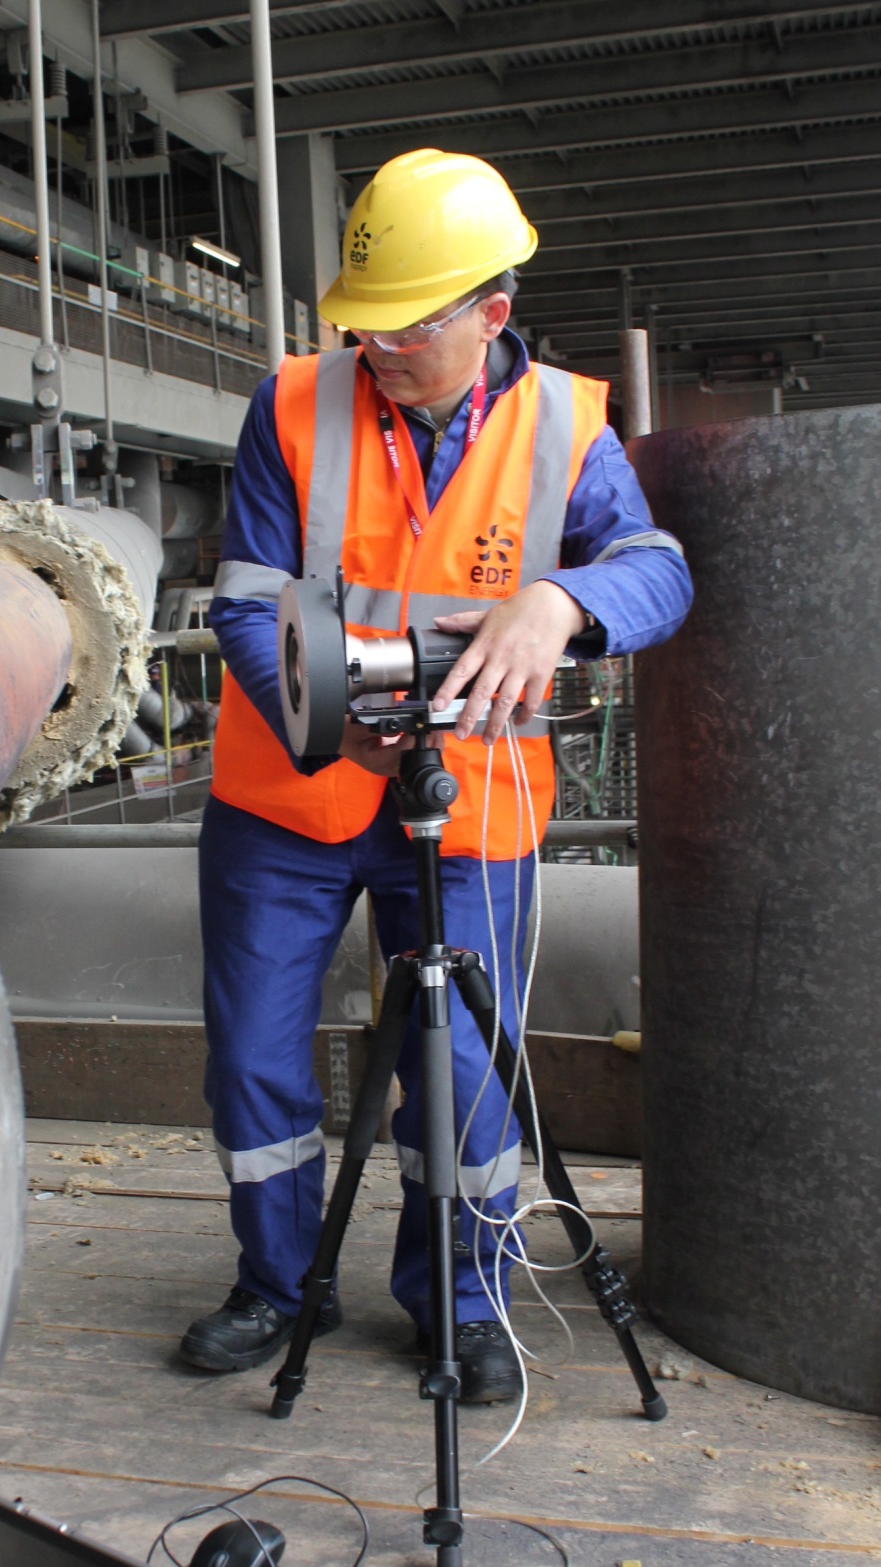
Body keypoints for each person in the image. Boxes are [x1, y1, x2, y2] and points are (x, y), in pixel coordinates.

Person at [180, 148, 692, 1401]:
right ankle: (275, 1283)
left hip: (469, 811)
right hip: (287, 799)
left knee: (461, 1073)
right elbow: (243, 604)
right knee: (253, 1052)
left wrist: (560, 601)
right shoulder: (292, 402)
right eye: (358, 321)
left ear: (489, 315)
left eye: (403, 325)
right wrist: (332, 726)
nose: (375, 348)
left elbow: (658, 570)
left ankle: (458, 1305)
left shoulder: (568, 423)